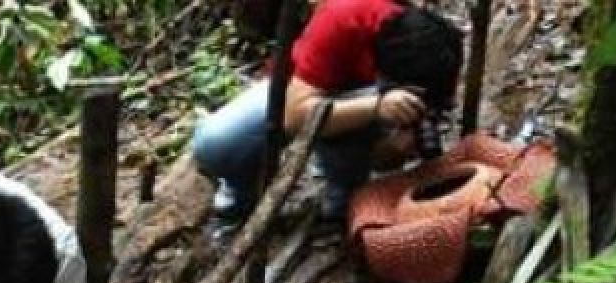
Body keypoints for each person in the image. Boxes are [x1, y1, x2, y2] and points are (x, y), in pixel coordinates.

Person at [193, 0, 464, 227]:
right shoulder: (343, 18)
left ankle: (346, 197)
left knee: (363, 108)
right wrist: (377, 107)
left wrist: (399, 145)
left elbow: (390, 154)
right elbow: (294, 115)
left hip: (360, 99)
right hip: (299, 89)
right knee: (217, 144)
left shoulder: (430, 48)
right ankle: (242, 191)